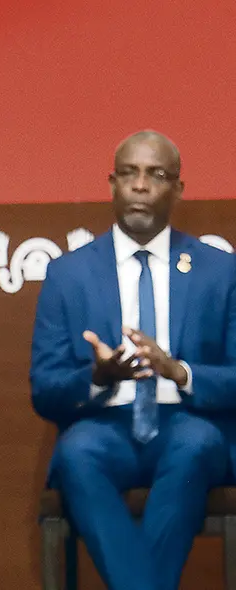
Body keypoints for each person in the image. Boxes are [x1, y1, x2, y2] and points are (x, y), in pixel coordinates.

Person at [30, 130, 236, 589]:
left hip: (185, 423)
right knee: (76, 453)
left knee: (198, 445)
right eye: (129, 174)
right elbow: (45, 390)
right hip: (105, 427)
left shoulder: (220, 271)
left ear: (178, 189)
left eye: (156, 175)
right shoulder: (68, 274)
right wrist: (97, 377)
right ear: (112, 184)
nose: (140, 185)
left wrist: (178, 371)